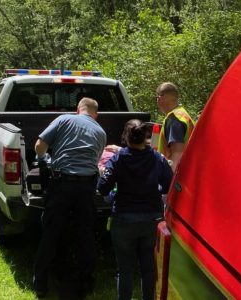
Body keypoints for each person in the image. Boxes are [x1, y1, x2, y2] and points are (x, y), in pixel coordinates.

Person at [33, 97, 107, 298]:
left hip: (62, 184)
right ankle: (86, 284)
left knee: (51, 233)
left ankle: (40, 284)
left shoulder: (64, 119)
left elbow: (40, 145)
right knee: (85, 234)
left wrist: (43, 160)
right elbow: (96, 159)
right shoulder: (101, 132)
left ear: (78, 110)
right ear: (95, 114)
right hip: (86, 188)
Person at [97, 119, 173, 300]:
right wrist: (156, 190)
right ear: (145, 137)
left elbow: (102, 188)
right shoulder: (157, 158)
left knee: (124, 269)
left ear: (125, 137)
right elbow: (169, 185)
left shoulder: (117, 159)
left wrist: (109, 188)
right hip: (151, 220)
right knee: (148, 268)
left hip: (123, 219)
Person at [155, 82, 195, 172]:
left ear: (160, 98)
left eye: (157, 98)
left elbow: (177, 153)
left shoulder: (173, 119)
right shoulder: (183, 114)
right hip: (188, 171)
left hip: (176, 176)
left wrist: (170, 181)